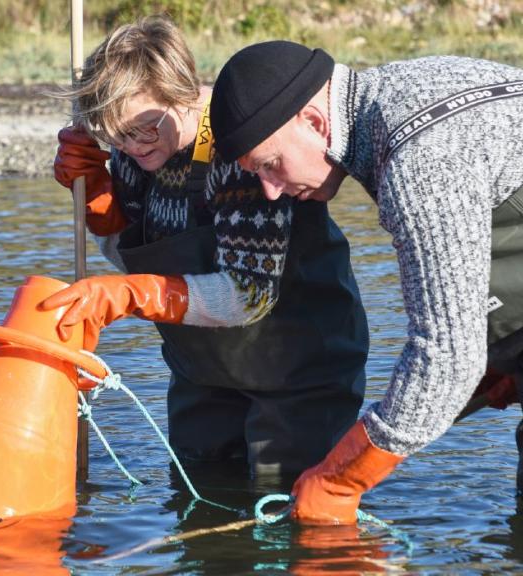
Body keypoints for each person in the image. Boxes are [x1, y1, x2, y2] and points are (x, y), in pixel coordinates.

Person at [42, 16, 369, 481]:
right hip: (202, 371)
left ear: (183, 91)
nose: (133, 147)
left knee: (290, 504)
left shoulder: (240, 151)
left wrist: (129, 296)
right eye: (115, 134)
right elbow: (140, 254)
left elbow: (247, 295)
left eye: (145, 129)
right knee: (196, 489)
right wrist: (98, 199)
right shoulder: (135, 153)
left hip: (298, 367)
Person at [208, 40, 523, 521]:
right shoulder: (415, 86)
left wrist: (340, 479)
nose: (270, 191)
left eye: (270, 164)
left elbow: (446, 359)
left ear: (313, 122)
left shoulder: (420, 159)